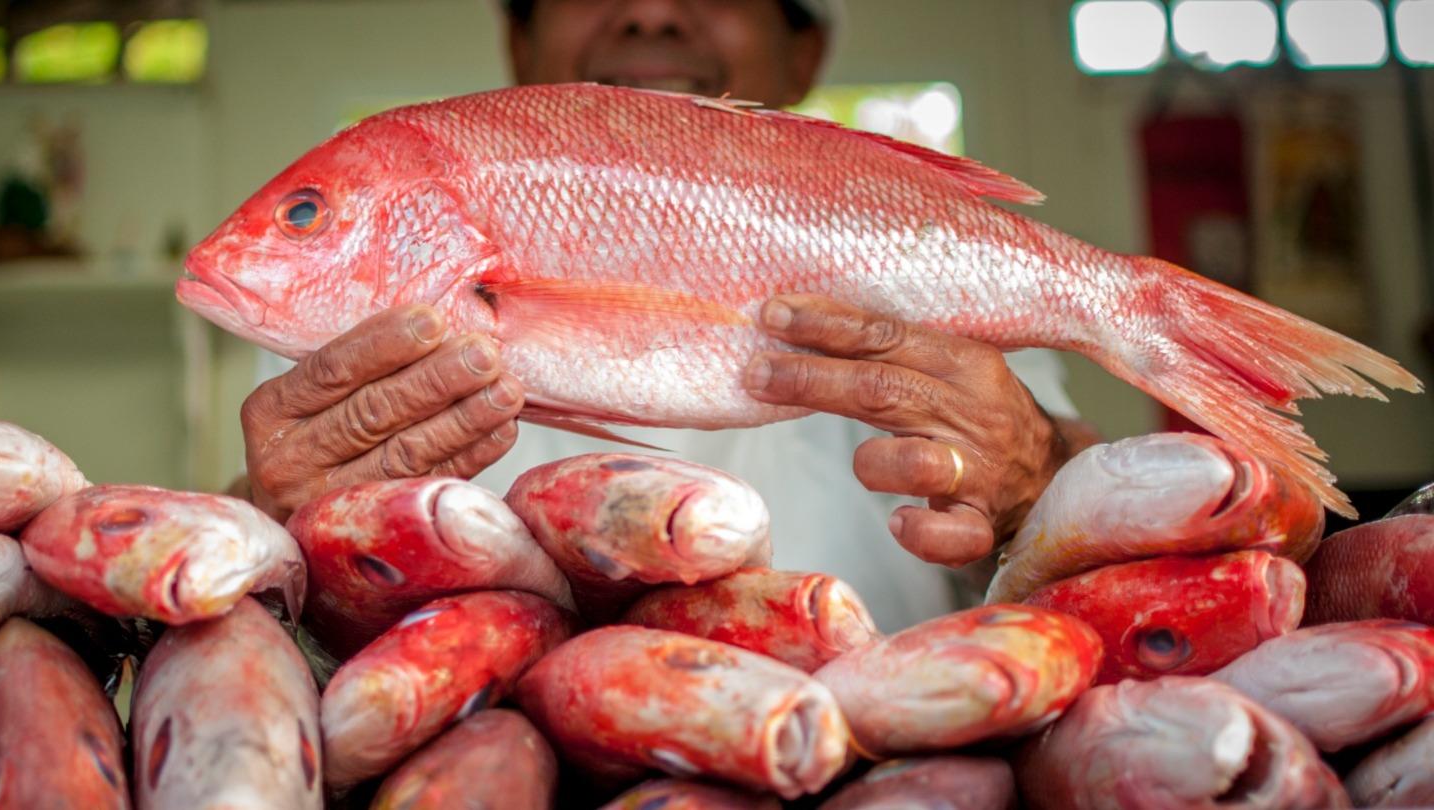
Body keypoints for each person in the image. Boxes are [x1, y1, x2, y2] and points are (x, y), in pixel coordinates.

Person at [238, 0, 1100, 631]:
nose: (651, 13)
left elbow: (1129, 576)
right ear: (516, 35)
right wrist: (279, 537)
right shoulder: (341, 312)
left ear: (805, 49)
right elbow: (235, 614)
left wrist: (1035, 489)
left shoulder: (920, 245)